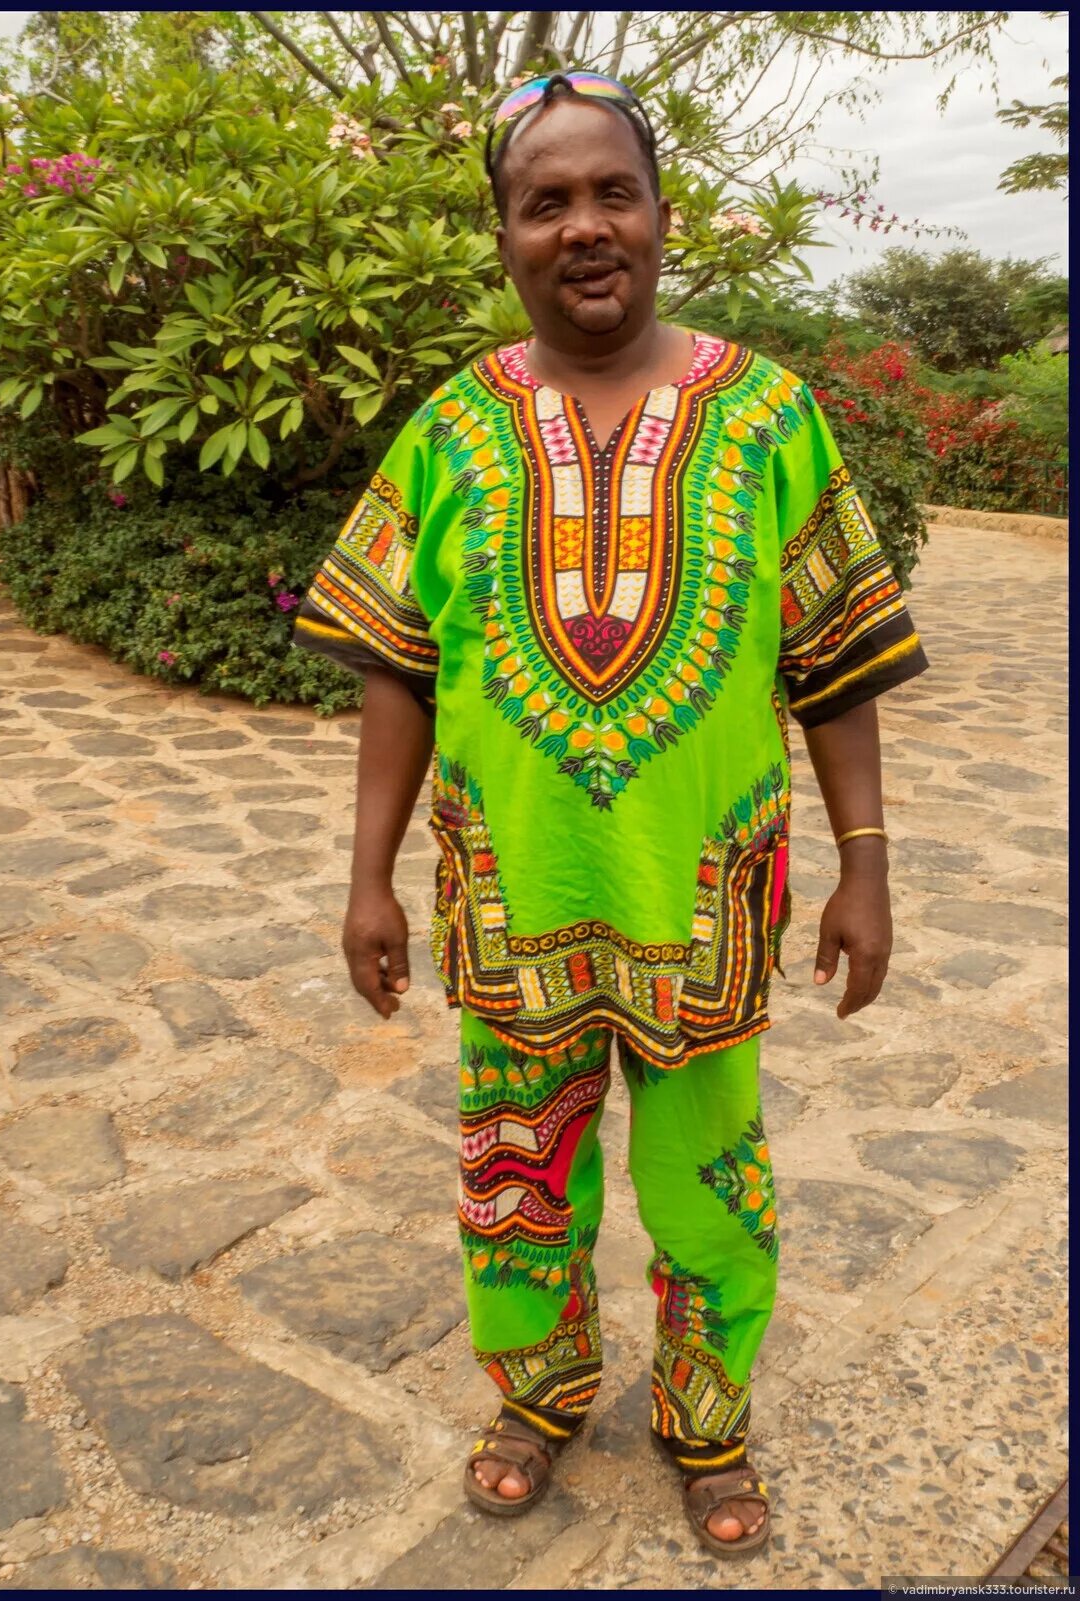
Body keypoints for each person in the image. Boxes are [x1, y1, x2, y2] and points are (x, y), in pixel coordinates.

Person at [295, 73, 926, 1560]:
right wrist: (368, 878)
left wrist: (868, 866)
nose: (584, 227)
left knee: (714, 1185)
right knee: (517, 1171)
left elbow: (833, 658)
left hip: (703, 900)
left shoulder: (770, 416)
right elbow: (397, 659)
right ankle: (541, 1394)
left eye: (611, 194)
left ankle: (707, 1420)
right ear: (505, 236)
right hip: (512, 888)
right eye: (545, 202)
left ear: (661, 214)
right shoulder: (451, 428)